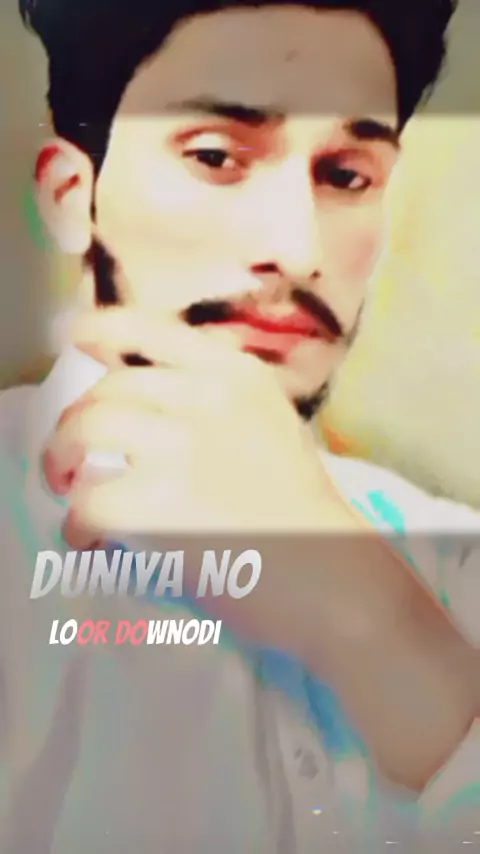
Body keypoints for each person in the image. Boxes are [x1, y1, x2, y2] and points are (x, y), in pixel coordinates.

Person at [0, 0, 477, 849]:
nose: (298, 250)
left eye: (346, 176)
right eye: (216, 156)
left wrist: (382, 631)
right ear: (75, 197)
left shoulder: (457, 564)